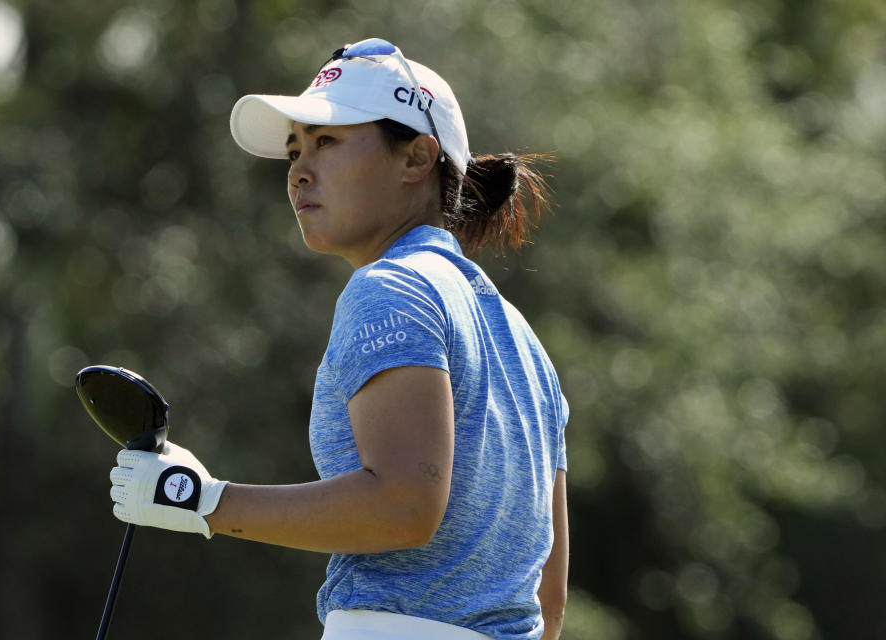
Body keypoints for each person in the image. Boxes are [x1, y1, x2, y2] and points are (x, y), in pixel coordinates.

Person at [108, 37, 569, 640]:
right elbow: (549, 595)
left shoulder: (391, 287)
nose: (299, 170)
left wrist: (200, 500)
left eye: (328, 141)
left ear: (416, 158)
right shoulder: (526, 342)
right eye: (295, 149)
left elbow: (404, 506)